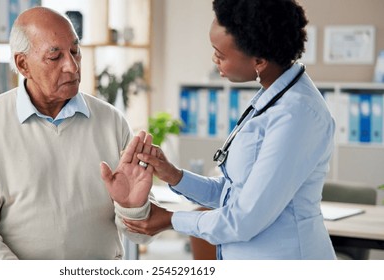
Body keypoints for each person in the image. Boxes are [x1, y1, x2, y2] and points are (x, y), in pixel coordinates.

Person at [110, 0, 337, 260]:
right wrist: (174, 175)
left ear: (259, 60)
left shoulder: (298, 115)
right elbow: (233, 195)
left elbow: (243, 219)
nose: (214, 59)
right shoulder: (272, 100)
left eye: (220, 54)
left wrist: (171, 220)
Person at [0, 7, 155, 260]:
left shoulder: (111, 121)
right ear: (22, 64)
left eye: (75, 51)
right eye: (55, 56)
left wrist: (133, 208)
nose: (71, 66)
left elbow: (141, 234)